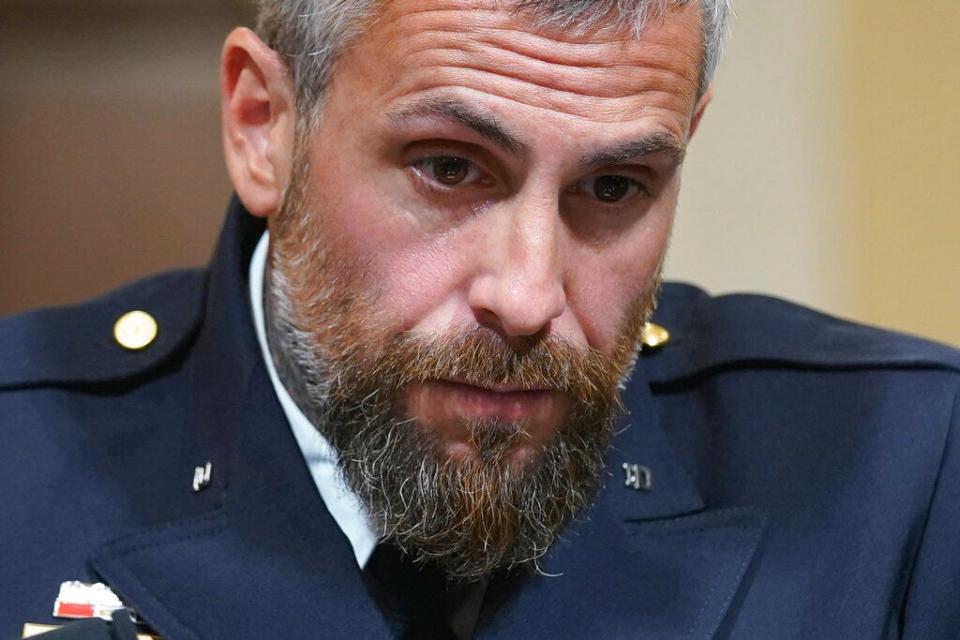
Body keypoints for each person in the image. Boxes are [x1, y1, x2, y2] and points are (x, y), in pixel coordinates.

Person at [2, 0, 959, 638]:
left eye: (615, 185)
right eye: (450, 167)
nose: (529, 295)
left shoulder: (900, 471)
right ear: (265, 126)